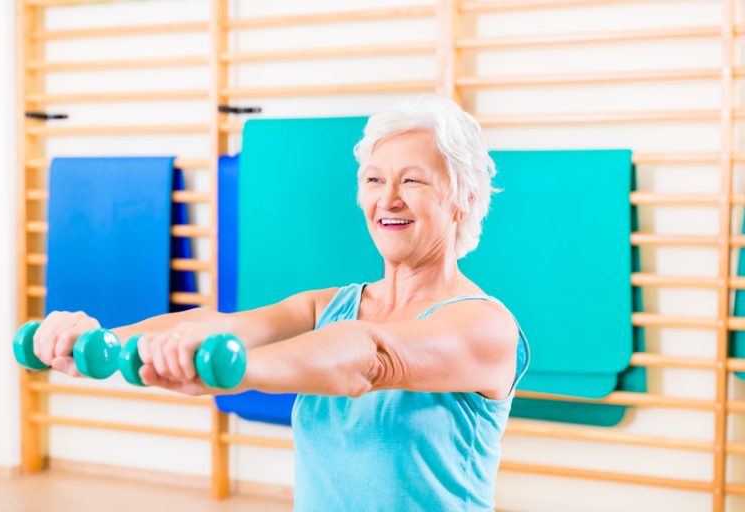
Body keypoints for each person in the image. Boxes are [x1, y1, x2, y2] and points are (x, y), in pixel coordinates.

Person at [30, 95, 530, 511]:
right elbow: (221, 324)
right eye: (375, 180)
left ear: (462, 198)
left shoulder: (484, 326)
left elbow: (371, 357)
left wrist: (231, 370)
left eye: (413, 180)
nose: (388, 198)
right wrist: (101, 340)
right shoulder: (330, 306)